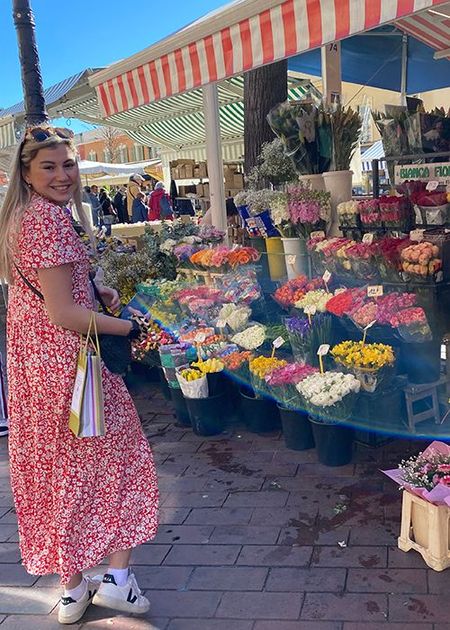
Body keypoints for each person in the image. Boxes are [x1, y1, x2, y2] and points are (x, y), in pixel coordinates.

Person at [0, 125, 158, 625]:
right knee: (119, 460)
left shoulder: (18, 218)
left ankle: (71, 589)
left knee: (52, 474)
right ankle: (117, 581)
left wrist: (98, 296)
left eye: (68, 164)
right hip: (73, 368)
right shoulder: (49, 221)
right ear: (26, 171)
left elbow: (48, 296)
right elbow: (65, 315)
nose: (63, 175)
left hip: (34, 372)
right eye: (49, 166)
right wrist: (130, 326)